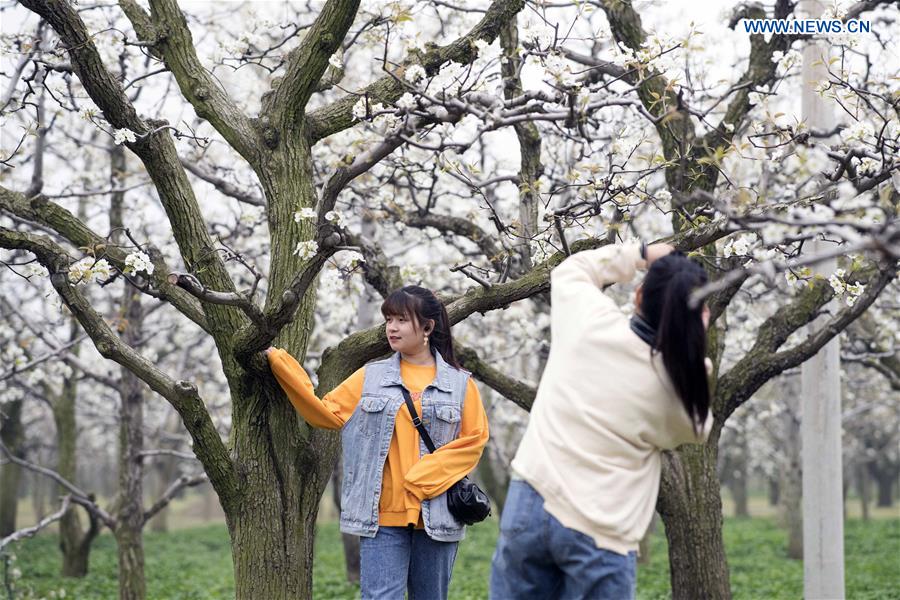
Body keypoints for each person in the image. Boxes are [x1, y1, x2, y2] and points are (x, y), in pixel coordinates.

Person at [489, 241, 714, 600]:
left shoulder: (588, 324)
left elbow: (571, 270)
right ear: (699, 319)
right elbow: (699, 428)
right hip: (602, 531)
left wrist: (639, 252)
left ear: (639, 297)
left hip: (532, 499)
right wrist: (692, 346)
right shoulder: (679, 393)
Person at [265, 285, 489, 600]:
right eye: (388, 320)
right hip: (381, 516)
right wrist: (279, 363)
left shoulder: (460, 385)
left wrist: (424, 477)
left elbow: (474, 439)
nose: (391, 328)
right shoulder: (369, 377)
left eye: (401, 320)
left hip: (437, 517)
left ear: (427, 327)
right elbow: (324, 413)